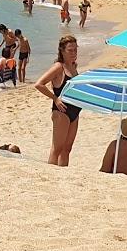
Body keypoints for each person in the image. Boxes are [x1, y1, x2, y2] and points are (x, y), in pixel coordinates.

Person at [35, 35, 81, 166]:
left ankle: (63, 176)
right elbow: (39, 84)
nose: (74, 53)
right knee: (57, 149)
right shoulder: (59, 67)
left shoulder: (73, 66)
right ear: (62, 51)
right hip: (61, 112)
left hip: (75, 112)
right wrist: (55, 98)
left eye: (75, 50)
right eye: (70, 50)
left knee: (67, 149)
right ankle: (51, 176)